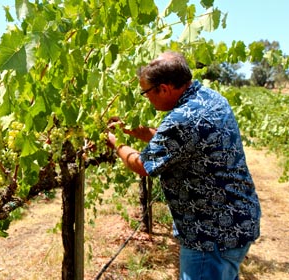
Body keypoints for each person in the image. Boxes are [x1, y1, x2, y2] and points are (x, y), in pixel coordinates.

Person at [106, 51, 261, 280]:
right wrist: (132, 130)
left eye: (146, 92)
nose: (146, 98)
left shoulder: (181, 120)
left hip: (210, 236)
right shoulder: (208, 99)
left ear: (165, 88)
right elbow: (177, 142)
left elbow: (142, 165)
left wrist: (114, 142)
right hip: (235, 223)